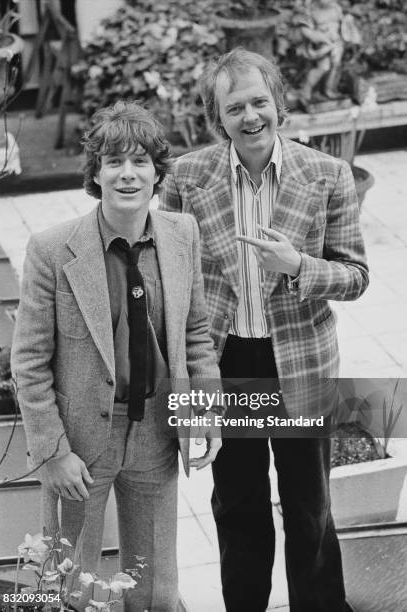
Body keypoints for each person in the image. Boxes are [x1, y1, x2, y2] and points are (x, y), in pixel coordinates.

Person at [160, 47, 369, 612]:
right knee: (237, 502)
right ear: (216, 118)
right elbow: (171, 283)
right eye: (235, 108)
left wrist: (299, 267)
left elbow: (356, 277)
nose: (250, 116)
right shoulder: (185, 177)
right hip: (223, 366)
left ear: (280, 103)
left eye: (260, 102)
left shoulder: (328, 176)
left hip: (299, 362)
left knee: (309, 504)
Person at [11, 100, 222, 611]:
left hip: (155, 433)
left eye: (140, 162)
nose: (128, 174)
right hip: (79, 446)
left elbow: (196, 332)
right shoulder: (52, 248)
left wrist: (208, 413)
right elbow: (30, 362)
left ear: (157, 173)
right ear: (96, 174)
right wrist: (52, 452)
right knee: (69, 585)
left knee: (154, 588)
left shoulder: (182, 235)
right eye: (113, 161)